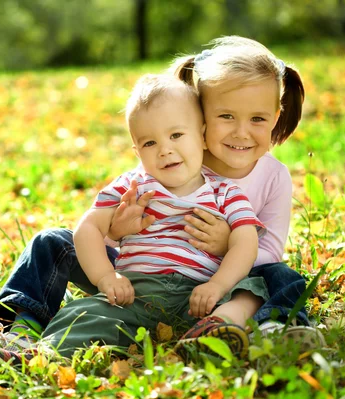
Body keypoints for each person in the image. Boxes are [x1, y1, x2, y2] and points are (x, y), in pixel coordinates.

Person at [0, 35, 324, 366]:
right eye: (226, 116)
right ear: (202, 118)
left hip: (221, 280)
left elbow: (269, 249)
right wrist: (115, 231)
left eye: (257, 118)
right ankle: (20, 328)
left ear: (275, 117)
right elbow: (124, 233)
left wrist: (228, 244)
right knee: (52, 242)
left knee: (281, 277)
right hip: (142, 274)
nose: (241, 132)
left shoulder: (267, 177)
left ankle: (267, 329)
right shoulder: (169, 154)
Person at [36, 73, 268, 359]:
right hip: (137, 293)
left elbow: (246, 243)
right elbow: (88, 228)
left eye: (176, 135)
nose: (165, 150)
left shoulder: (225, 192)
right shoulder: (131, 185)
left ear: (203, 136)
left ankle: (210, 337)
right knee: (81, 316)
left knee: (257, 285)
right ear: (136, 150)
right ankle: (38, 355)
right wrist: (106, 276)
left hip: (200, 298)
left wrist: (217, 285)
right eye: (149, 143)